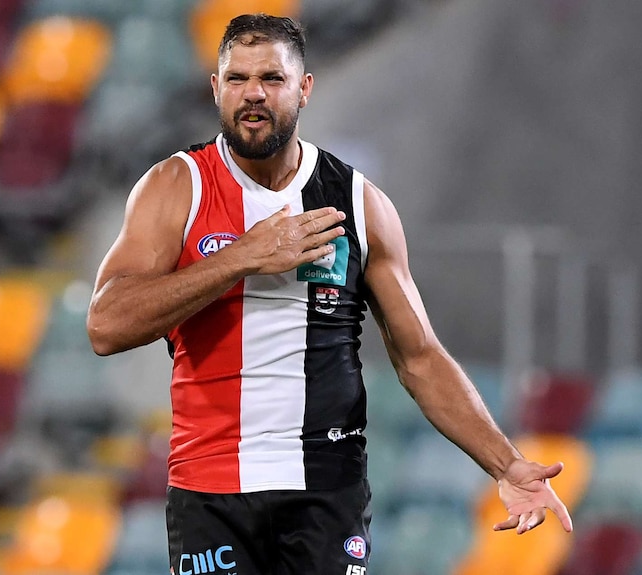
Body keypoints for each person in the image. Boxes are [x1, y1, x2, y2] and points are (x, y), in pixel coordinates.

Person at [87, 13, 573, 575]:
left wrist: (506, 465)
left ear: (304, 88)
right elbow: (105, 325)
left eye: (271, 78)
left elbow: (419, 357)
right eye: (238, 78)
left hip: (326, 491)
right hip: (211, 491)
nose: (253, 95)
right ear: (215, 88)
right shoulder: (176, 187)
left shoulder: (358, 201)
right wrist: (242, 257)